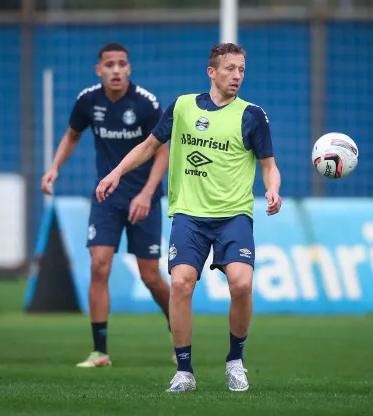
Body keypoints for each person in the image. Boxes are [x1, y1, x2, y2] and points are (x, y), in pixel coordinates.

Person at [95, 43, 282, 392]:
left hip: (234, 215)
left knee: (241, 284)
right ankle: (184, 371)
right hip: (189, 215)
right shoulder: (182, 107)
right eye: (230, 69)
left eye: (241, 69)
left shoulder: (252, 115)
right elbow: (149, 146)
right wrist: (117, 172)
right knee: (181, 283)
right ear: (211, 72)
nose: (237, 75)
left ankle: (235, 361)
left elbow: (269, 167)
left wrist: (272, 189)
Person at [41, 42, 174, 368]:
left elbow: (162, 150)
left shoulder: (145, 104)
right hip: (107, 196)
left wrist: (146, 193)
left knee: (150, 276)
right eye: (109, 64)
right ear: (99, 70)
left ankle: (179, 331)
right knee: (99, 266)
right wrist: (54, 166)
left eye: (122, 64)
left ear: (129, 69)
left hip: (143, 197)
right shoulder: (88, 100)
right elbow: (72, 135)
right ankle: (100, 352)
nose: (116, 70)